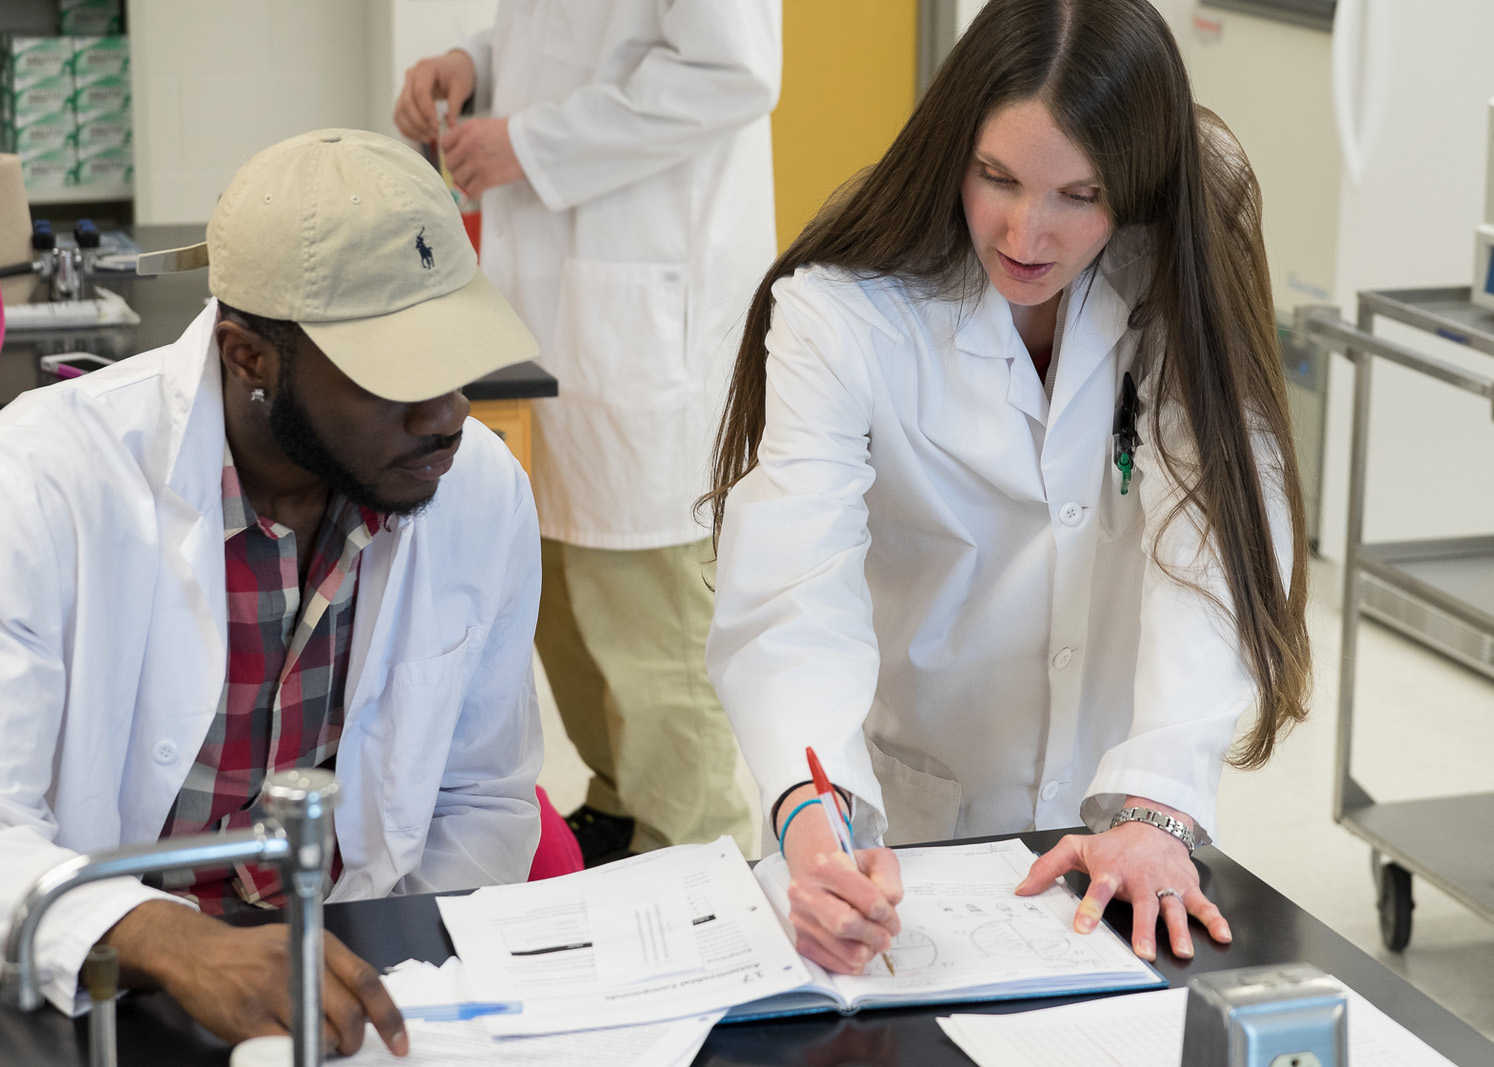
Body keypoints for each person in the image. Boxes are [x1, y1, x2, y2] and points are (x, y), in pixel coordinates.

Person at [705, 0, 1312, 977]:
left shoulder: (1173, 263)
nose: (1027, 231)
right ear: (955, 147)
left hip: (1129, 814)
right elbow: (792, 591)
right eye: (997, 177)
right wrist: (811, 817)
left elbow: (1214, 531)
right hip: (927, 810)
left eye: (1080, 194)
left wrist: (1157, 802)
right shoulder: (843, 313)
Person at [0, 129, 546, 1055]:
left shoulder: (475, 488)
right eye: (395, 375)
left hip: (358, 981)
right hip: (106, 982)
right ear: (247, 355)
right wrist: (176, 944)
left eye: (455, 360)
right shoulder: (43, 483)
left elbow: (482, 796)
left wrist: (415, 995)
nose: (448, 414)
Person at [393, 1, 781, 862]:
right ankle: (618, 805)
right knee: (556, 590)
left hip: (650, 314)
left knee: (648, 617)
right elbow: (571, 44)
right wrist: (475, 64)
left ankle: (698, 855)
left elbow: (734, 72)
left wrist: (527, 143)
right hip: (552, 301)